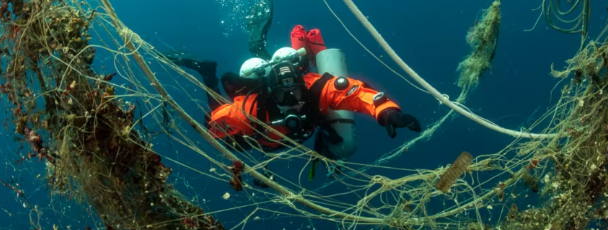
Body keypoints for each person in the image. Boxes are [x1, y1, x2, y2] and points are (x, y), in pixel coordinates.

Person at [164, 26, 422, 160]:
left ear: (303, 86)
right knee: (232, 137)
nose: (293, 104)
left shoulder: (315, 88)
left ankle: (261, 50)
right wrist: (221, 131)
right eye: (283, 97)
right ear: (270, 95)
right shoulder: (249, 109)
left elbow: (356, 93)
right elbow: (215, 120)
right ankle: (207, 72)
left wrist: (387, 112)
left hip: (285, 124)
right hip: (262, 134)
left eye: (296, 94)